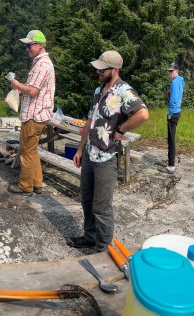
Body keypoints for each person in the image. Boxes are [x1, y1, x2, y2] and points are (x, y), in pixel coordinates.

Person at [68, 51, 149, 253]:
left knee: (102, 207)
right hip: (89, 153)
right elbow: (90, 120)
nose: (98, 72)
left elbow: (143, 114)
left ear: (115, 70)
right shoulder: (98, 90)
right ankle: (90, 238)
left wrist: (121, 130)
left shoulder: (124, 91)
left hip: (106, 157)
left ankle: (103, 248)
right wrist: (80, 149)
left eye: (102, 70)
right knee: (87, 200)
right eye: (97, 69)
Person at [6, 30, 55, 196]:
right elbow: (33, 88)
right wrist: (19, 91)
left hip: (34, 115)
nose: (27, 49)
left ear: (40, 45)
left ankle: (25, 186)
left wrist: (16, 85)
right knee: (32, 151)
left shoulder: (42, 65)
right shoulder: (39, 62)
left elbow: (33, 91)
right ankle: (37, 183)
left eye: (29, 45)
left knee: (26, 152)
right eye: (26, 46)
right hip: (37, 114)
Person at [166, 62, 184, 173]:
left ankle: (171, 165)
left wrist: (170, 113)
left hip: (173, 113)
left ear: (176, 70)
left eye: (171, 71)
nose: (170, 73)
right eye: (169, 71)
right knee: (171, 137)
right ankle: (171, 162)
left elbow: (173, 99)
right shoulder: (180, 81)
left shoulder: (175, 82)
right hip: (178, 111)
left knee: (171, 139)